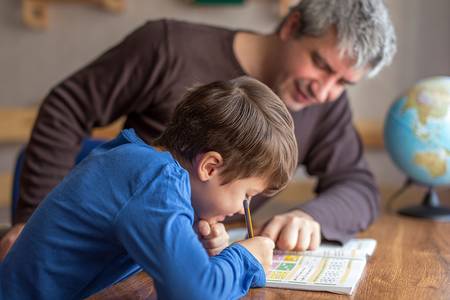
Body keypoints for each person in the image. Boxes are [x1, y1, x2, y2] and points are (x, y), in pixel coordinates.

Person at [0, 0, 397, 259]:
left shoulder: (324, 104)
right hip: (114, 250)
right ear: (291, 26)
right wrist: (32, 220)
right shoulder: (167, 46)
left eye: (344, 82)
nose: (325, 91)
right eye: (321, 65)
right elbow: (66, 107)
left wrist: (311, 216)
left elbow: (357, 185)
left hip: (190, 256)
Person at [0, 77, 298, 299]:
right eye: (247, 197)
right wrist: (243, 259)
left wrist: (193, 243)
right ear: (209, 167)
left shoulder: (139, 162)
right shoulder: (157, 181)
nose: (239, 209)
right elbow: (194, 295)